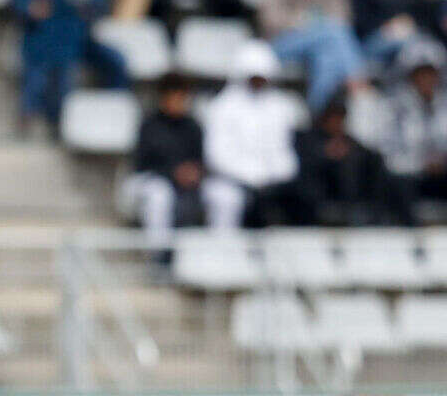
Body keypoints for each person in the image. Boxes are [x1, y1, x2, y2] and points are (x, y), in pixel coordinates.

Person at [126, 73, 242, 252]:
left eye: (182, 97)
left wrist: (196, 172)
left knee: (225, 196)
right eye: (174, 97)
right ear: (163, 97)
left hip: (192, 183)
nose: (178, 102)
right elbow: (142, 164)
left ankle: (222, 253)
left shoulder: (193, 126)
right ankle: (159, 254)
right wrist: (173, 172)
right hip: (154, 181)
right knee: (159, 195)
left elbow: (203, 160)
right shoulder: (149, 125)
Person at [13, 0, 129, 136]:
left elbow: (100, 9)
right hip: (49, 44)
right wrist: (30, 9)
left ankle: (117, 106)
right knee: (48, 70)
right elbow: (25, 2)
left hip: (82, 43)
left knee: (117, 60)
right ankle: (37, 115)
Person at [205, 41, 306, 226]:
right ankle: (223, 251)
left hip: (272, 180)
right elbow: (216, 155)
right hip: (232, 180)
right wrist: (250, 175)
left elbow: (284, 150)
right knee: (226, 198)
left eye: (263, 78)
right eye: (253, 78)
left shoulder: (280, 107)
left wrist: (276, 173)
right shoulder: (221, 107)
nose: (258, 83)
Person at [260, 0, 365, 112]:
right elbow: (270, 17)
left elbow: (343, 15)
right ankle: (359, 82)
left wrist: (319, 24)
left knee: (327, 59)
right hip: (283, 42)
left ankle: (317, 114)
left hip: (322, 40)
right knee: (334, 32)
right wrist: (301, 21)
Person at [293, 93, 401, 225]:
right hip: (319, 191)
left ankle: (371, 215)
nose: (336, 122)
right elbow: (304, 162)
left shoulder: (347, 140)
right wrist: (326, 154)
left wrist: (348, 153)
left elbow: (370, 156)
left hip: (349, 194)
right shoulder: (307, 138)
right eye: (332, 117)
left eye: (340, 118)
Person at [379, 37, 447, 218]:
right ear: (409, 75)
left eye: (431, 72)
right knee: (398, 184)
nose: (426, 79)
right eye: (420, 73)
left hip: (441, 176)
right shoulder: (394, 107)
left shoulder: (444, 104)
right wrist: (421, 164)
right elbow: (388, 155)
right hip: (409, 177)